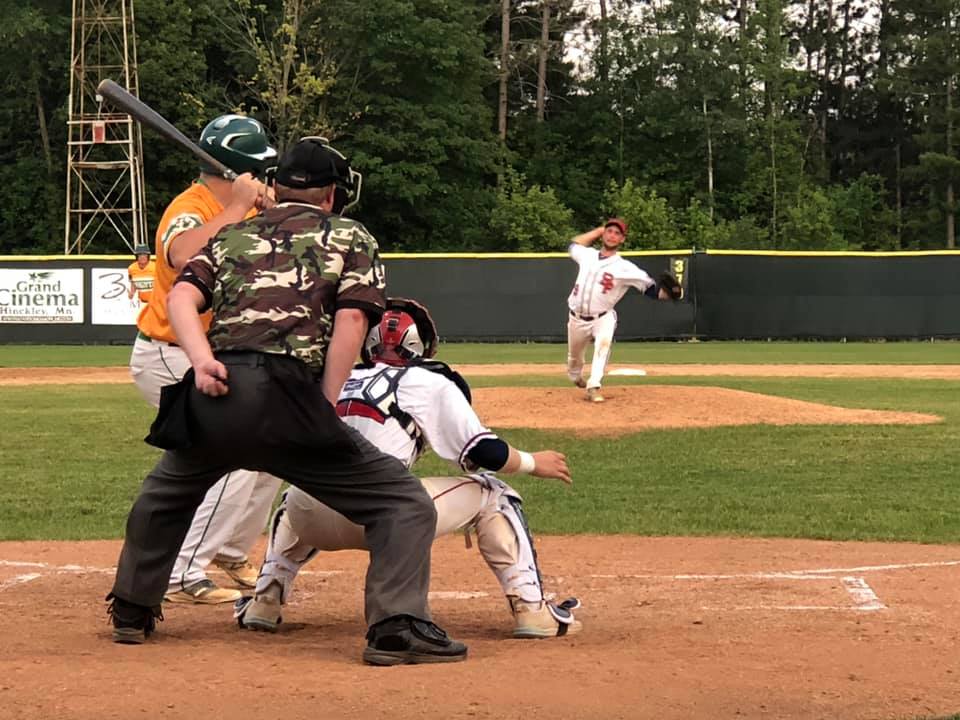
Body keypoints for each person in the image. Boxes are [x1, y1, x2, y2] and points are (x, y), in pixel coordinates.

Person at [107, 137, 467, 667]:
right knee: (403, 503)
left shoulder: (233, 232)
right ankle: (396, 626)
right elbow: (351, 321)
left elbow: (181, 296)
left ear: (275, 186)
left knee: (164, 497)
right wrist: (324, 401)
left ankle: (132, 612)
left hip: (217, 393)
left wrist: (202, 359)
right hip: (289, 395)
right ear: (331, 195)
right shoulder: (350, 235)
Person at [235, 298, 582, 639]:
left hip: (307, 516)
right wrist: (534, 462)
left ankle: (265, 601)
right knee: (495, 493)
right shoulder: (429, 381)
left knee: (298, 489)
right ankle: (531, 609)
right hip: (385, 518)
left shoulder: (335, 376)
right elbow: (483, 451)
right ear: (421, 344)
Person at [129, 114, 283, 604]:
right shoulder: (192, 207)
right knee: (232, 453)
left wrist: (270, 212)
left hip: (212, 356)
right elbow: (179, 254)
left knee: (271, 453)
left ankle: (230, 550)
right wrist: (237, 206)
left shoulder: (244, 209)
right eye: (261, 171)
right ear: (241, 168)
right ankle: (180, 572)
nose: (265, 180)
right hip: (171, 356)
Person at [566, 218, 680, 403]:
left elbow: (651, 290)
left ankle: (594, 385)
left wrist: (672, 294)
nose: (612, 235)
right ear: (603, 234)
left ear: (622, 240)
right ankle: (575, 376)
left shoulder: (625, 267)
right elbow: (573, 245)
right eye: (609, 231)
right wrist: (599, 230)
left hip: (603, 317)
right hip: (576, 318)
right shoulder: (587, 255)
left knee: (603, 347)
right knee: (574, 359)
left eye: (617, 233)